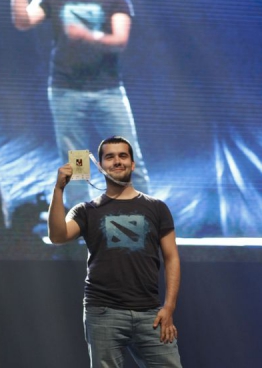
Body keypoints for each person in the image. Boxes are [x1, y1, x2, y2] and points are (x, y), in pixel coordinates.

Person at [11, 0, 150, 207]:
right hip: (65, 89)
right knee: (76, 160)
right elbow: (22, 21)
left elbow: (120, 40)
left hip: (107, 90)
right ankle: (81, 219)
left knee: (124, 155)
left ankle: (144, 216)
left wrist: (87, 35)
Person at [48, 135, 182, 368]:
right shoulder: (86, 210)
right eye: (110, 157)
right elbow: (58, 236)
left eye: (123, 156)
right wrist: (59, 189)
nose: (117, 161)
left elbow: (172, 258)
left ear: (133, 163)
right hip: (103, 312)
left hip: (150, 313)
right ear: (100, 165)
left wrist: (169, 307)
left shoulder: (157, 208)